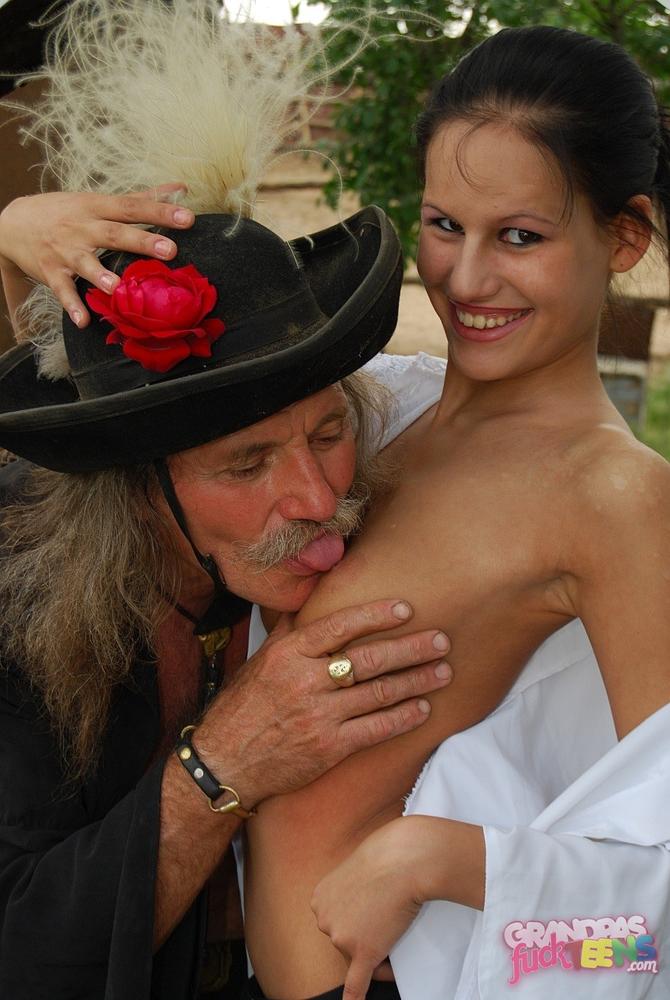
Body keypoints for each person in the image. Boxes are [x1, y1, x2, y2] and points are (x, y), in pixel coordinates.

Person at [0, 4, 459, 998]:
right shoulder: (14, 600)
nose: (317, 496)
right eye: (245, 466)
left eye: (328, 433)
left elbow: (616, 925)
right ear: (133, 487)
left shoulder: (395, 500)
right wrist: (221, 765)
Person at [229, 24, 670, 1000]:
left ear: (624, 236)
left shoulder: (614, 496)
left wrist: (441, 865)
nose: (465, 279)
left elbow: (647, 942)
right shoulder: (371, 411)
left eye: (520, 236)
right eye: (443, 225)